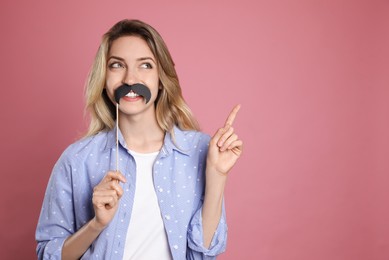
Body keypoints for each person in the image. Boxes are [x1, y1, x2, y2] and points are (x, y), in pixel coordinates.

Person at [35, 19, 243, 260]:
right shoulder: (77, 160)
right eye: (117, 65)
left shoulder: (200, 150)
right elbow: (47, 255)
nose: (130, 79)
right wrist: (96, 225)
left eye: (145, 65)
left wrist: (217, 175)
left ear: (161, 77)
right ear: (103, 78)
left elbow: (205, 251)